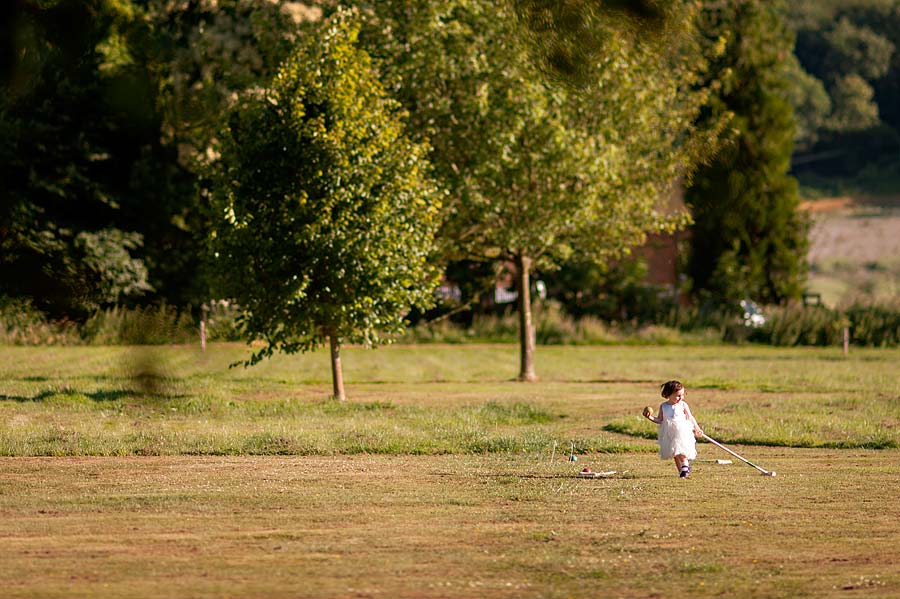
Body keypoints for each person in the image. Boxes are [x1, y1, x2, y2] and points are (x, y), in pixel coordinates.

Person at [642, 380, 703, 478]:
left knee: (680, 450)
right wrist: (649, 417)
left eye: (682, 395)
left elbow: (690, 417)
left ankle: (685, 465)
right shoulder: (664, 406)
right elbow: (660, 420)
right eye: (678, 395)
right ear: (668, 394)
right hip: (669, 432)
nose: (681, 398)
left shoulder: (683, 405)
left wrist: (697, 428)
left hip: (681, 431)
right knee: (674, 452)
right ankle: (682, 472)